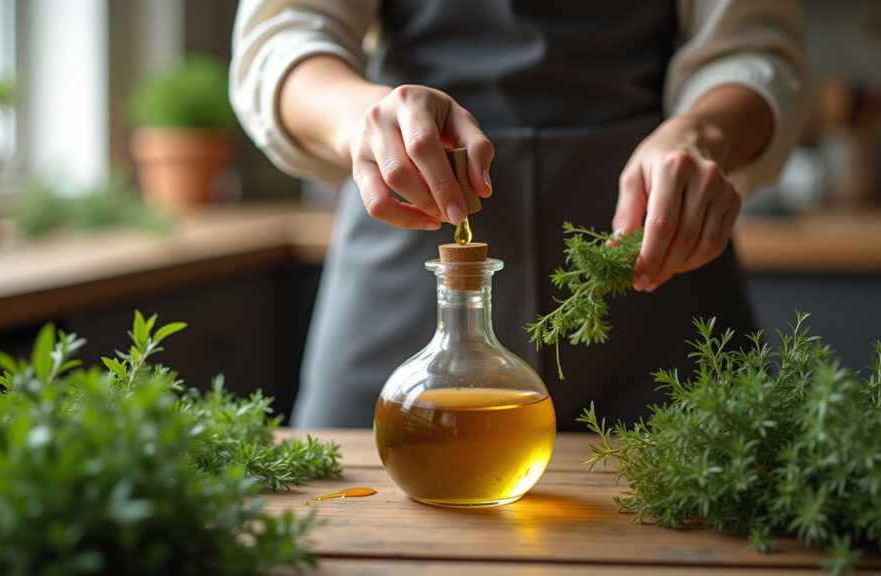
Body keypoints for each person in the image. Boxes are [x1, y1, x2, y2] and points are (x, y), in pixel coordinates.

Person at [230, 0, 808, 430]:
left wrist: (701, 133)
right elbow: (284, 35)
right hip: (406, 248)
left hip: (653, 244)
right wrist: (362, 117)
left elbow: (752, 47)